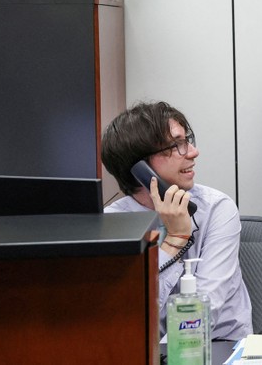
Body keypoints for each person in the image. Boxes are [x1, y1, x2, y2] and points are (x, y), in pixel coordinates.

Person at [102, 101, 253, 342]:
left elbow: (202, 313)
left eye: (187, 141)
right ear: (140, 169)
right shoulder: (113, 224)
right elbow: (124, 313)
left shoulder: (216, 209)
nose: (193, 152)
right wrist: (174, 240)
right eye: (177, 145)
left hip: (216, 347)